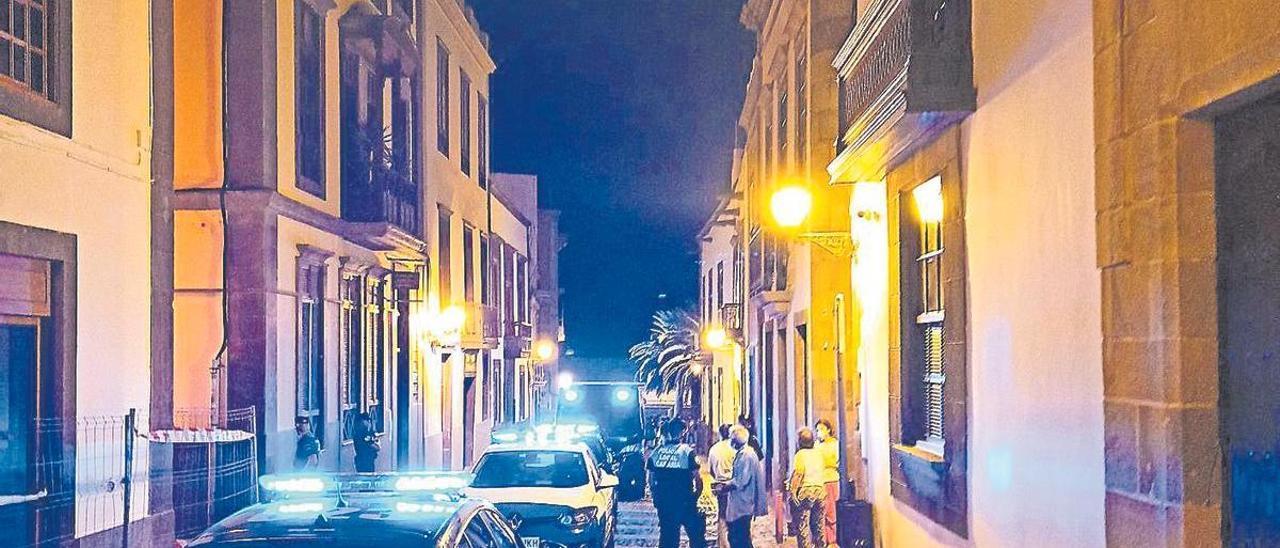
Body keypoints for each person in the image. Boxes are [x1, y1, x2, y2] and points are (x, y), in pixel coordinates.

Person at [648, 417, 706, 548]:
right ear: (682, 433)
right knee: (696, 535)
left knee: (668, 537)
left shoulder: (656, 452)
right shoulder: (687, 452)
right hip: (685, 499)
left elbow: (650, 479)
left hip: (664, 501)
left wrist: (656, 497)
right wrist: (696, 496)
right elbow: (697, 478)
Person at [722, 425, 767, 548]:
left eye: (731, 437)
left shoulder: (746, 455)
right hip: (742, 503)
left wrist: (725, 486)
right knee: (739, 537)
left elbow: (741, 481)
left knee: (739, 538)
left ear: (735, 440)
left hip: (743, 503)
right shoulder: (745, 453)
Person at [788, 428, 827, 548]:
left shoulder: (800, 455)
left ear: (799, 441)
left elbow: (798, 474)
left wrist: (793, 492)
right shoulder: (819, 453)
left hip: (806, 491)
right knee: (819, 525)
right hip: (820, 491)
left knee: (803, 526)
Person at [707, 424, 736, 547]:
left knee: (722, 517)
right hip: (735, 486)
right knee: (736, 517)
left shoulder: (714, 449)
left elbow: (711, 471)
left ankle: (723, 544)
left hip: (720, 486)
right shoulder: (735, 449)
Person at [815, 419, 841, 547]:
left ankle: (831, 540)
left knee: (830, 511)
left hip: (830, 479)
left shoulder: (834, 444)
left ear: (828, 430)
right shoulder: (817, 445)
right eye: (817, 430)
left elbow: (834, 461)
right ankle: (822, 539)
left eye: (821, 429)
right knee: (821, 511)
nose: (819, 432)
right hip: (819, 480)